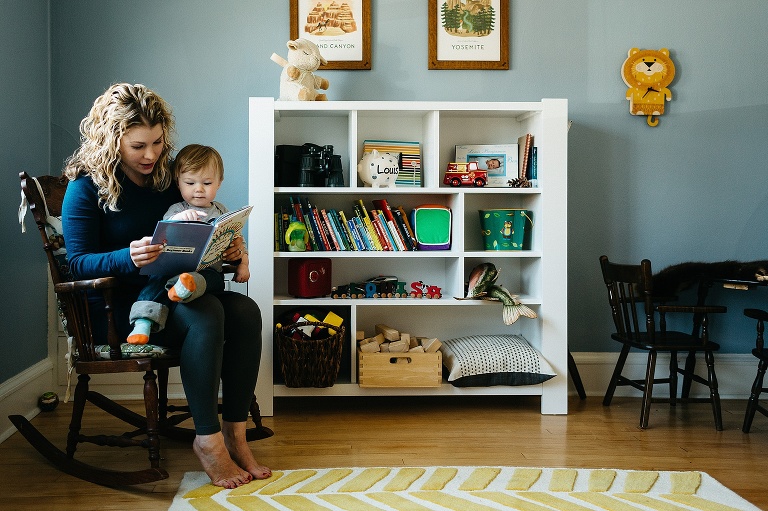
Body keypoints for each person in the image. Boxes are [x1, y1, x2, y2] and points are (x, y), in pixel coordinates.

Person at [61, 83, 271, 488]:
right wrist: (129, 255)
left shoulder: (165, 179)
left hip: (174, 290)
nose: (152, 154)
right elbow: (77, 263)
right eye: (139, 145)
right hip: (120, 309)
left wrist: (226, 246)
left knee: (246, 310)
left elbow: (193, 224)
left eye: (158, 142)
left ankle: (234, 433)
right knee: (207, 313)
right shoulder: (85, 187)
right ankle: (208, 442)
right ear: (111, 140)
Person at [126, 144, 250, 345]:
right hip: (173, 270)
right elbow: (162, 234)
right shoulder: (176, 209)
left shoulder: (222, 212)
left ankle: (186, 288)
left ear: (219, 183)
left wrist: (243, 264)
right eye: (190, 183)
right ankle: (142, 322)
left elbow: (238, 240)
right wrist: (179, 219)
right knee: (156, 279)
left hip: (208, 273)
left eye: (207, 183)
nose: (199, 189)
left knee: (213, 279)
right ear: (179, 183)